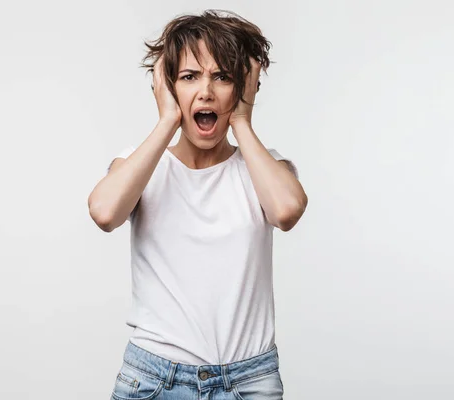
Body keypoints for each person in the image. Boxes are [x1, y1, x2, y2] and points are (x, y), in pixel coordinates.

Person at [88, 9, 308, 400]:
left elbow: (287, 211)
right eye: (189, 77)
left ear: (241, 87)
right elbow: (105, 213)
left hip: (249, 382)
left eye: (222, 76)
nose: (205, 91)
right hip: (154, 381)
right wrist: (167, 120)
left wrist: (242, 119)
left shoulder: (263, 167)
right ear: (169, 87)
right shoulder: (141, 166)